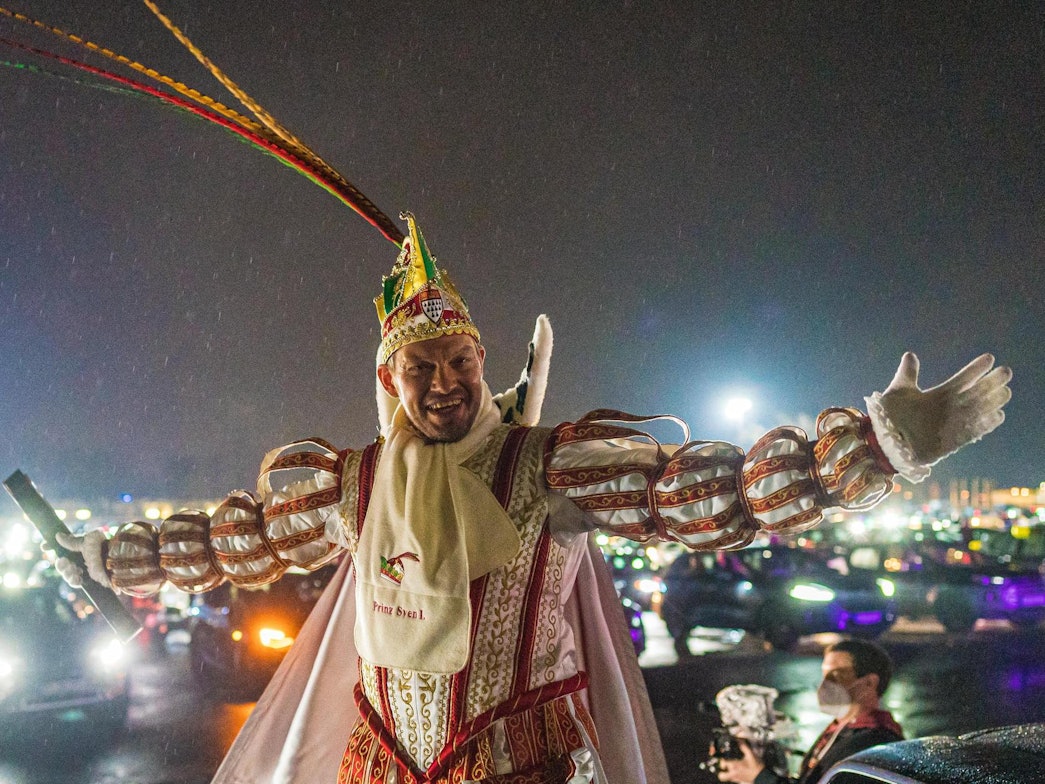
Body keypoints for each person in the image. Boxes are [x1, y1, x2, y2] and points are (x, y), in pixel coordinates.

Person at [53, 213, 1010, 784]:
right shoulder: (359, 483)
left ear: (480, 363)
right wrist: (107, 559)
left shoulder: (550, 466)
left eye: (458, 362)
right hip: (384, 767)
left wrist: (873, 447)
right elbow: (238, 540)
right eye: (418, 369)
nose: (441, 385)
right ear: (390, 386)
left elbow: (702, 495)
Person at [714, 639, 904, 784]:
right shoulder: (842, 728)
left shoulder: (875, 743)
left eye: (836, 675)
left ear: (870, 683)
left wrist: (760, 777)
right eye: (824, 675)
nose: (824, 685)